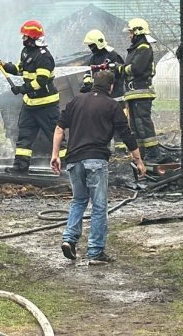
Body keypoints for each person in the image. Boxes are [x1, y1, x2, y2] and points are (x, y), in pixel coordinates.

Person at [51, 70, 144, 264]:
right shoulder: (112, 105)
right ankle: (95, 252)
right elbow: (126, 135)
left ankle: (69, 239)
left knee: (79, 200)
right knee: (99, 206)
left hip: (74, 160)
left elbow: (59, 128)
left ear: (94, 83)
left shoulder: (76, 101)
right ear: (111, 86)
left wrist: (55, 155)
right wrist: (138, 161)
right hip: (96, 160)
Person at [0, 20, 63, 173]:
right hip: (30, 104)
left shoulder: (44, 57)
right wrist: (4, 66)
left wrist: (21, 89)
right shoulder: (26, 52)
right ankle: (20, 167)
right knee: (24, 136)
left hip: (46, 105)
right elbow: (20, 69)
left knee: (54, 136)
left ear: (33, 37)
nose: (23, 39)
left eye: (25, 36)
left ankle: (66, 166)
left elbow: (41, 81)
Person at [117, 18, 167, 164]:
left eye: (131, 32)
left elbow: (136, 68)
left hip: (141, 91)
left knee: (142, 123)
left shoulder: (143, 48)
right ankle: (142, 152)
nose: (129, 35)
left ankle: (153, 152)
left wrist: (120, 69)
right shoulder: (135, 48)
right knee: (135, 124)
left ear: (138, 31)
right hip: (133, 93)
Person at [79, 29, 124, 99]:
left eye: (92, 45)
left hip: (114, 95)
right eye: (89, 46)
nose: (91, 48)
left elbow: (118, 75)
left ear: (98, 43)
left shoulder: (113, 56)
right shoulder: (93, 57)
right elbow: (88, 72)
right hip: (100, 96)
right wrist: (88, 83)